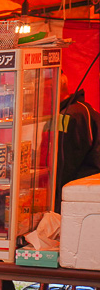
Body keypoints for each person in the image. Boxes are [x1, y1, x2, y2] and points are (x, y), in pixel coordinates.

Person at [56, 73, 100, 206]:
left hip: (79, 194)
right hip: (86, 189)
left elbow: (64, 163)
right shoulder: (82, 108)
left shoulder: (68, 115)